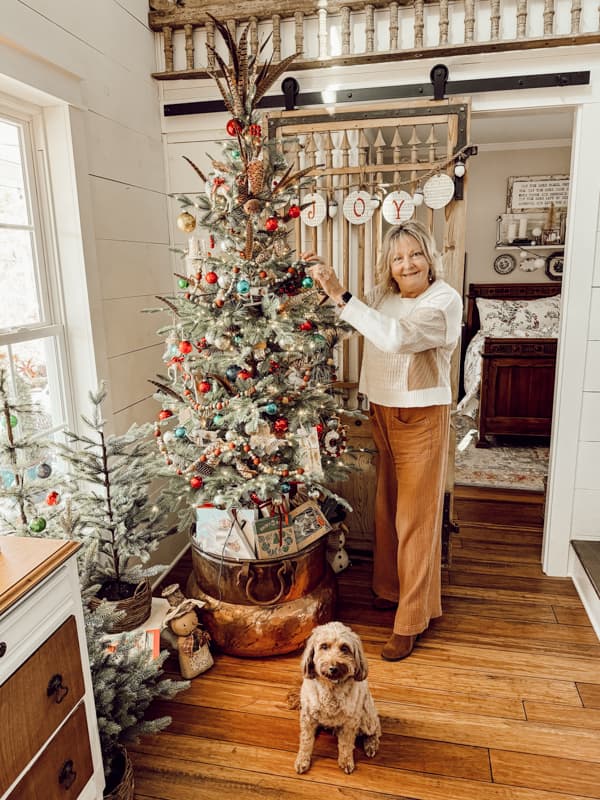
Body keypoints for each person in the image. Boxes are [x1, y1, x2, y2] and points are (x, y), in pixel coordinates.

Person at [303, 220, 462, 661]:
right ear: (388, 267)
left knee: (416, 518)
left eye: (415, 254)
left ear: (430, 258)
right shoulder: (385, 297)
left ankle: (411, 620)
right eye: (397, 258)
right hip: (383, 412)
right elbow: (359, 319)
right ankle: (390, 589)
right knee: (387, 507)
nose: (407, 263)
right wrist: (322, 281)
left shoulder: (444, 301)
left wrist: (341, 293)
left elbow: (395, 338)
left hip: (422, 417)